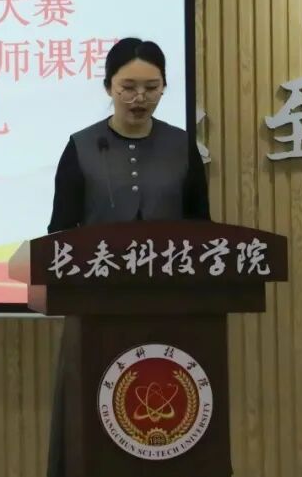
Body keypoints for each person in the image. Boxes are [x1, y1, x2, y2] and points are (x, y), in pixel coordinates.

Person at [44, 37, 210, 477]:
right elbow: (59, 233)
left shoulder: (181, 147)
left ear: (164, 87)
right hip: (95, 312)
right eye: (128, 87)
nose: (140, 98)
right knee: (92, 427)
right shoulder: (81, 147)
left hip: (172, 312)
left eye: (151, 88)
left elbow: (202, 229)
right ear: (108, 87)